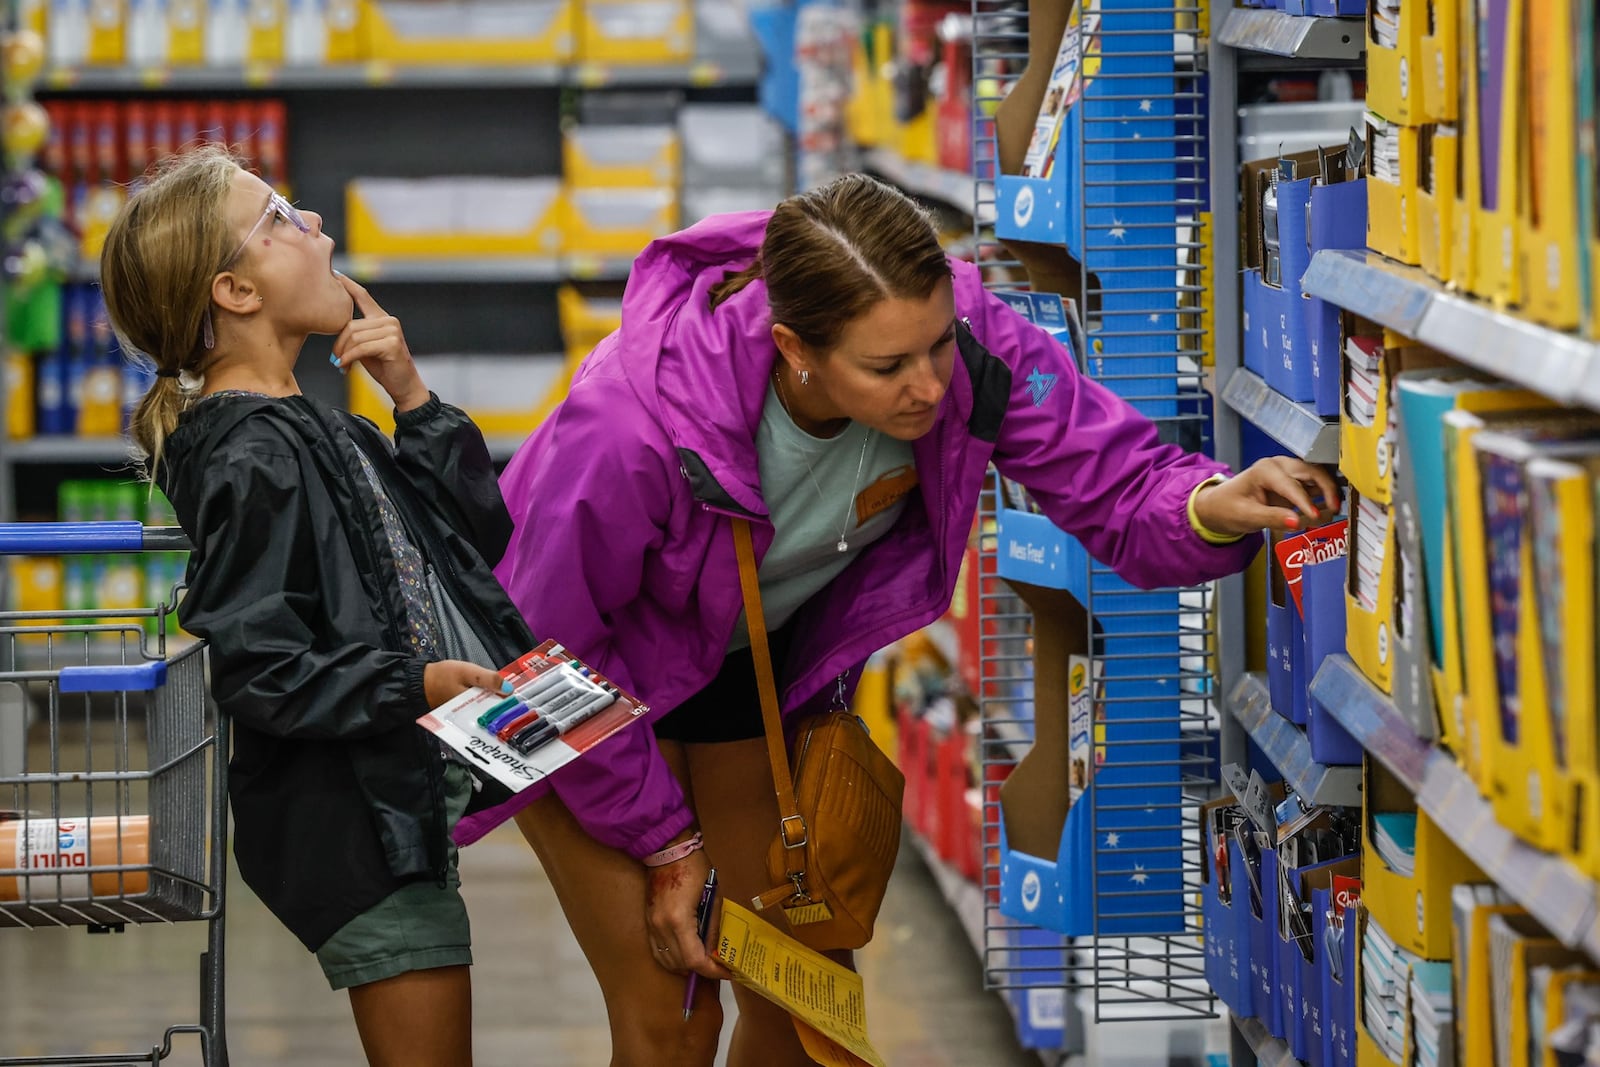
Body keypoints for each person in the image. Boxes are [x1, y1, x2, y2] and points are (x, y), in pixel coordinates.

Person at [453, 174, 1339, 1067]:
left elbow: (1108, 476)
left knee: (806, 1003)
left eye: (937, 346)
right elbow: (537, 653)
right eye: (887, 368)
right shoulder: (630, 421)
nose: (927, 387)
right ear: (794, 346)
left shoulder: (965, 344)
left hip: (739, 674)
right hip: (547, 688)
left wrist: (1212, 503)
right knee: (672, 1014)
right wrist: (666, 841)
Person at [99, 146, 535, 1067]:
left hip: (391, 799)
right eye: (285, 220)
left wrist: (413, 399)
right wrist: (414, 681)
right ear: (236, 292)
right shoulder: (251, 454)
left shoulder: (317, 423)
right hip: (353, 825)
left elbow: (477, 546)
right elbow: (260, 667)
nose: (320, 229)